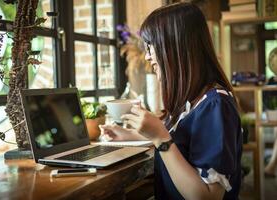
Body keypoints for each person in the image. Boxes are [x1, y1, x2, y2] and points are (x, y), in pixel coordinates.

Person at [100, 3, 242, 200]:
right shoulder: (193, 101)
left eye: (151, 46)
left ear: (176, 47)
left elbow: (207, 196)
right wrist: (133, 135)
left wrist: (160, 137)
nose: (148, 56)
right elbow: (184, 144)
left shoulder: (216, 105)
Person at [264, 47, 277, 177]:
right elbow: (266, 104)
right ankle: (272, 164)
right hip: (272, 115)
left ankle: (272, 164)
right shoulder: (270, 82)